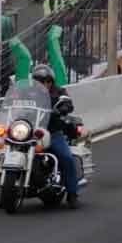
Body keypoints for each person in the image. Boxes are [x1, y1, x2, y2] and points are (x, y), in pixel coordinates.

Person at [31, 64, 81, 208]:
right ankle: (6, 195)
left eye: (47, 81)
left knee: (66, 157)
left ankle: (72, 193)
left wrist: (64, 106)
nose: (44, 84)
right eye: (40, 81)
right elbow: (15, 99)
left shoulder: (58, 92)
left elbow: (67, 102)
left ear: (51, 81)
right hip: (30, 133)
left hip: (52, 132)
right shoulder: (27, 92)